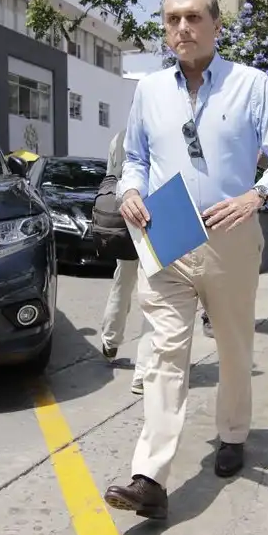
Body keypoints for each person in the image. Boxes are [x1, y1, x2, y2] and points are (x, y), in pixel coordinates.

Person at [102, 0, 268, 519]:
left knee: (235, 347)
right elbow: (135, 157)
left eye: (192, 18)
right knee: (165, 354)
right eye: (171, 20)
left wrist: (257, 195)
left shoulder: (251, 86)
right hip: (167, 233)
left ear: (216, 25)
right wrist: (130, 192)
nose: (181, 29)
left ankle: (233, 432)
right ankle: (150, 477)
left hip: (231, 235)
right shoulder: (149, 90)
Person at [100, 130, 154, 395]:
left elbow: (111, 178)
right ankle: (143, 374)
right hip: (153, 218)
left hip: (125, 218)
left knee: (122, 283)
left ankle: (110, 340)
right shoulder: (158, 130)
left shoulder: (119, 136)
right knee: (155, 296)